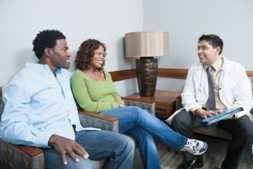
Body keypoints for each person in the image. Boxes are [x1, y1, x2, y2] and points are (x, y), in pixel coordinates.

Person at [0, 30, 135, 169]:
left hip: (76, 133)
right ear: (48, 52)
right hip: (48, 144)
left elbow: (89, 82)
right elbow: (8, 128)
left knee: (125, 144)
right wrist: (51, 138)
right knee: (82, 166)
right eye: (64, 49)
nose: (69, 53)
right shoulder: (23, 80)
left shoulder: (65, 76)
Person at [70, 39, 208, 169]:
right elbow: (87, 105)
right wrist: (113, 106)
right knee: (136, 112)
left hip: (117, 114)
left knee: (145, 135)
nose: (102, 57)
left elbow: (115, 95)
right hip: (99, 118)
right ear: (88, 54)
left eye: (103, 54)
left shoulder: (104, 73)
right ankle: (182, 143)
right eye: (99, 54)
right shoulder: (78, 76)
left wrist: (119, 105)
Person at [170, 34, 253, 169]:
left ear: (217, 50)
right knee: (179, 120)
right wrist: (198, 110)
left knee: (248, 130)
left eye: (204, 48)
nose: (199, 52)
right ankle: (194, 159)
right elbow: (187, 95)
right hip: (202, 111)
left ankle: (229, 165)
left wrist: (230, 112)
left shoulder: (237, 69)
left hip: (228, 114)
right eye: (198, 48)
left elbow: (246, 100)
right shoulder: (194, 68)